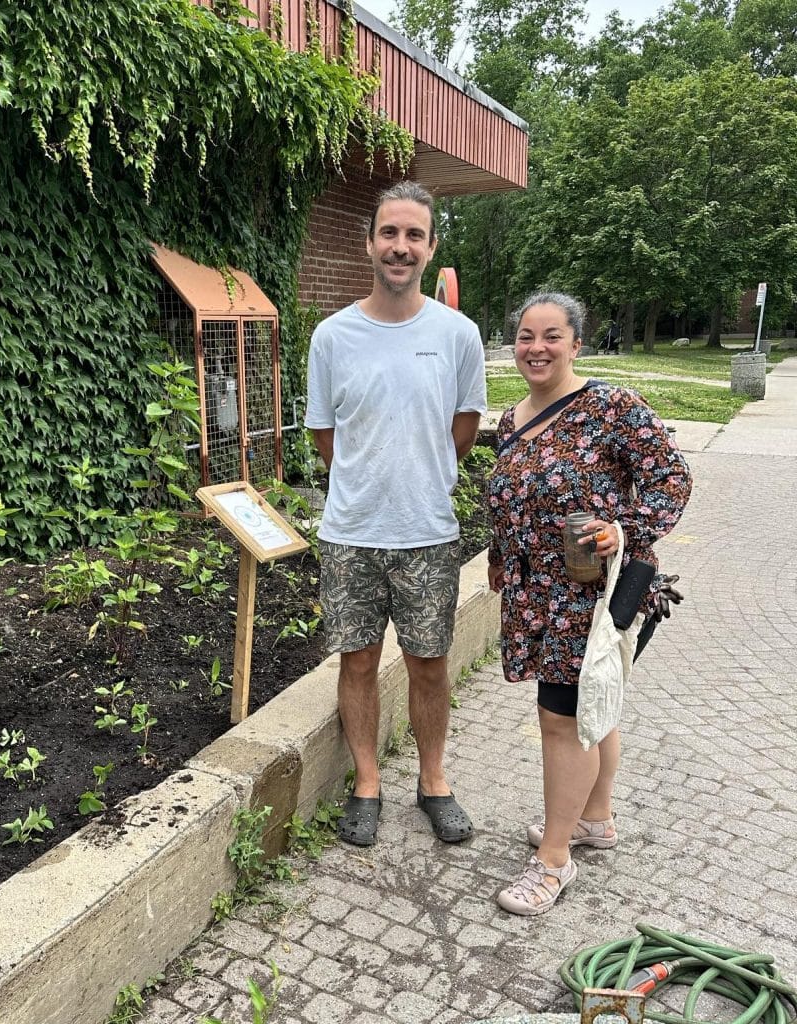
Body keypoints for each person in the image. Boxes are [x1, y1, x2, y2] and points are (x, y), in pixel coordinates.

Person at [487, 291, 691, 915]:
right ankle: (594, 818)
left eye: (552, 336)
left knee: (564, 719)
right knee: (592, 706)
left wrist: (622, 527)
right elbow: (513, 502)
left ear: (576, 343)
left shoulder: (611, 407)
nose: (537, 348)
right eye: (526, 336)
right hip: (536, 594)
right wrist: (500, 557)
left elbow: (672, 477)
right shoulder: (512, 419)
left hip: (593, 596)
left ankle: (554, 860)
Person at [305, 181, 487, 847]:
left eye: (414, 235)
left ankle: (434, 781)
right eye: (390, 233)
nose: (401, 247)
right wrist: (368, 480)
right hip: (351, 534)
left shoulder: (458, 335)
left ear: (431, 246)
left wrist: (416, 475)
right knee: (356, 662)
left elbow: (464, 428)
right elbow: (325, 435)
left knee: (429, 664)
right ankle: (366, 783)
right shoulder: (332, 337)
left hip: (427, 533)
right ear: (369, 243)